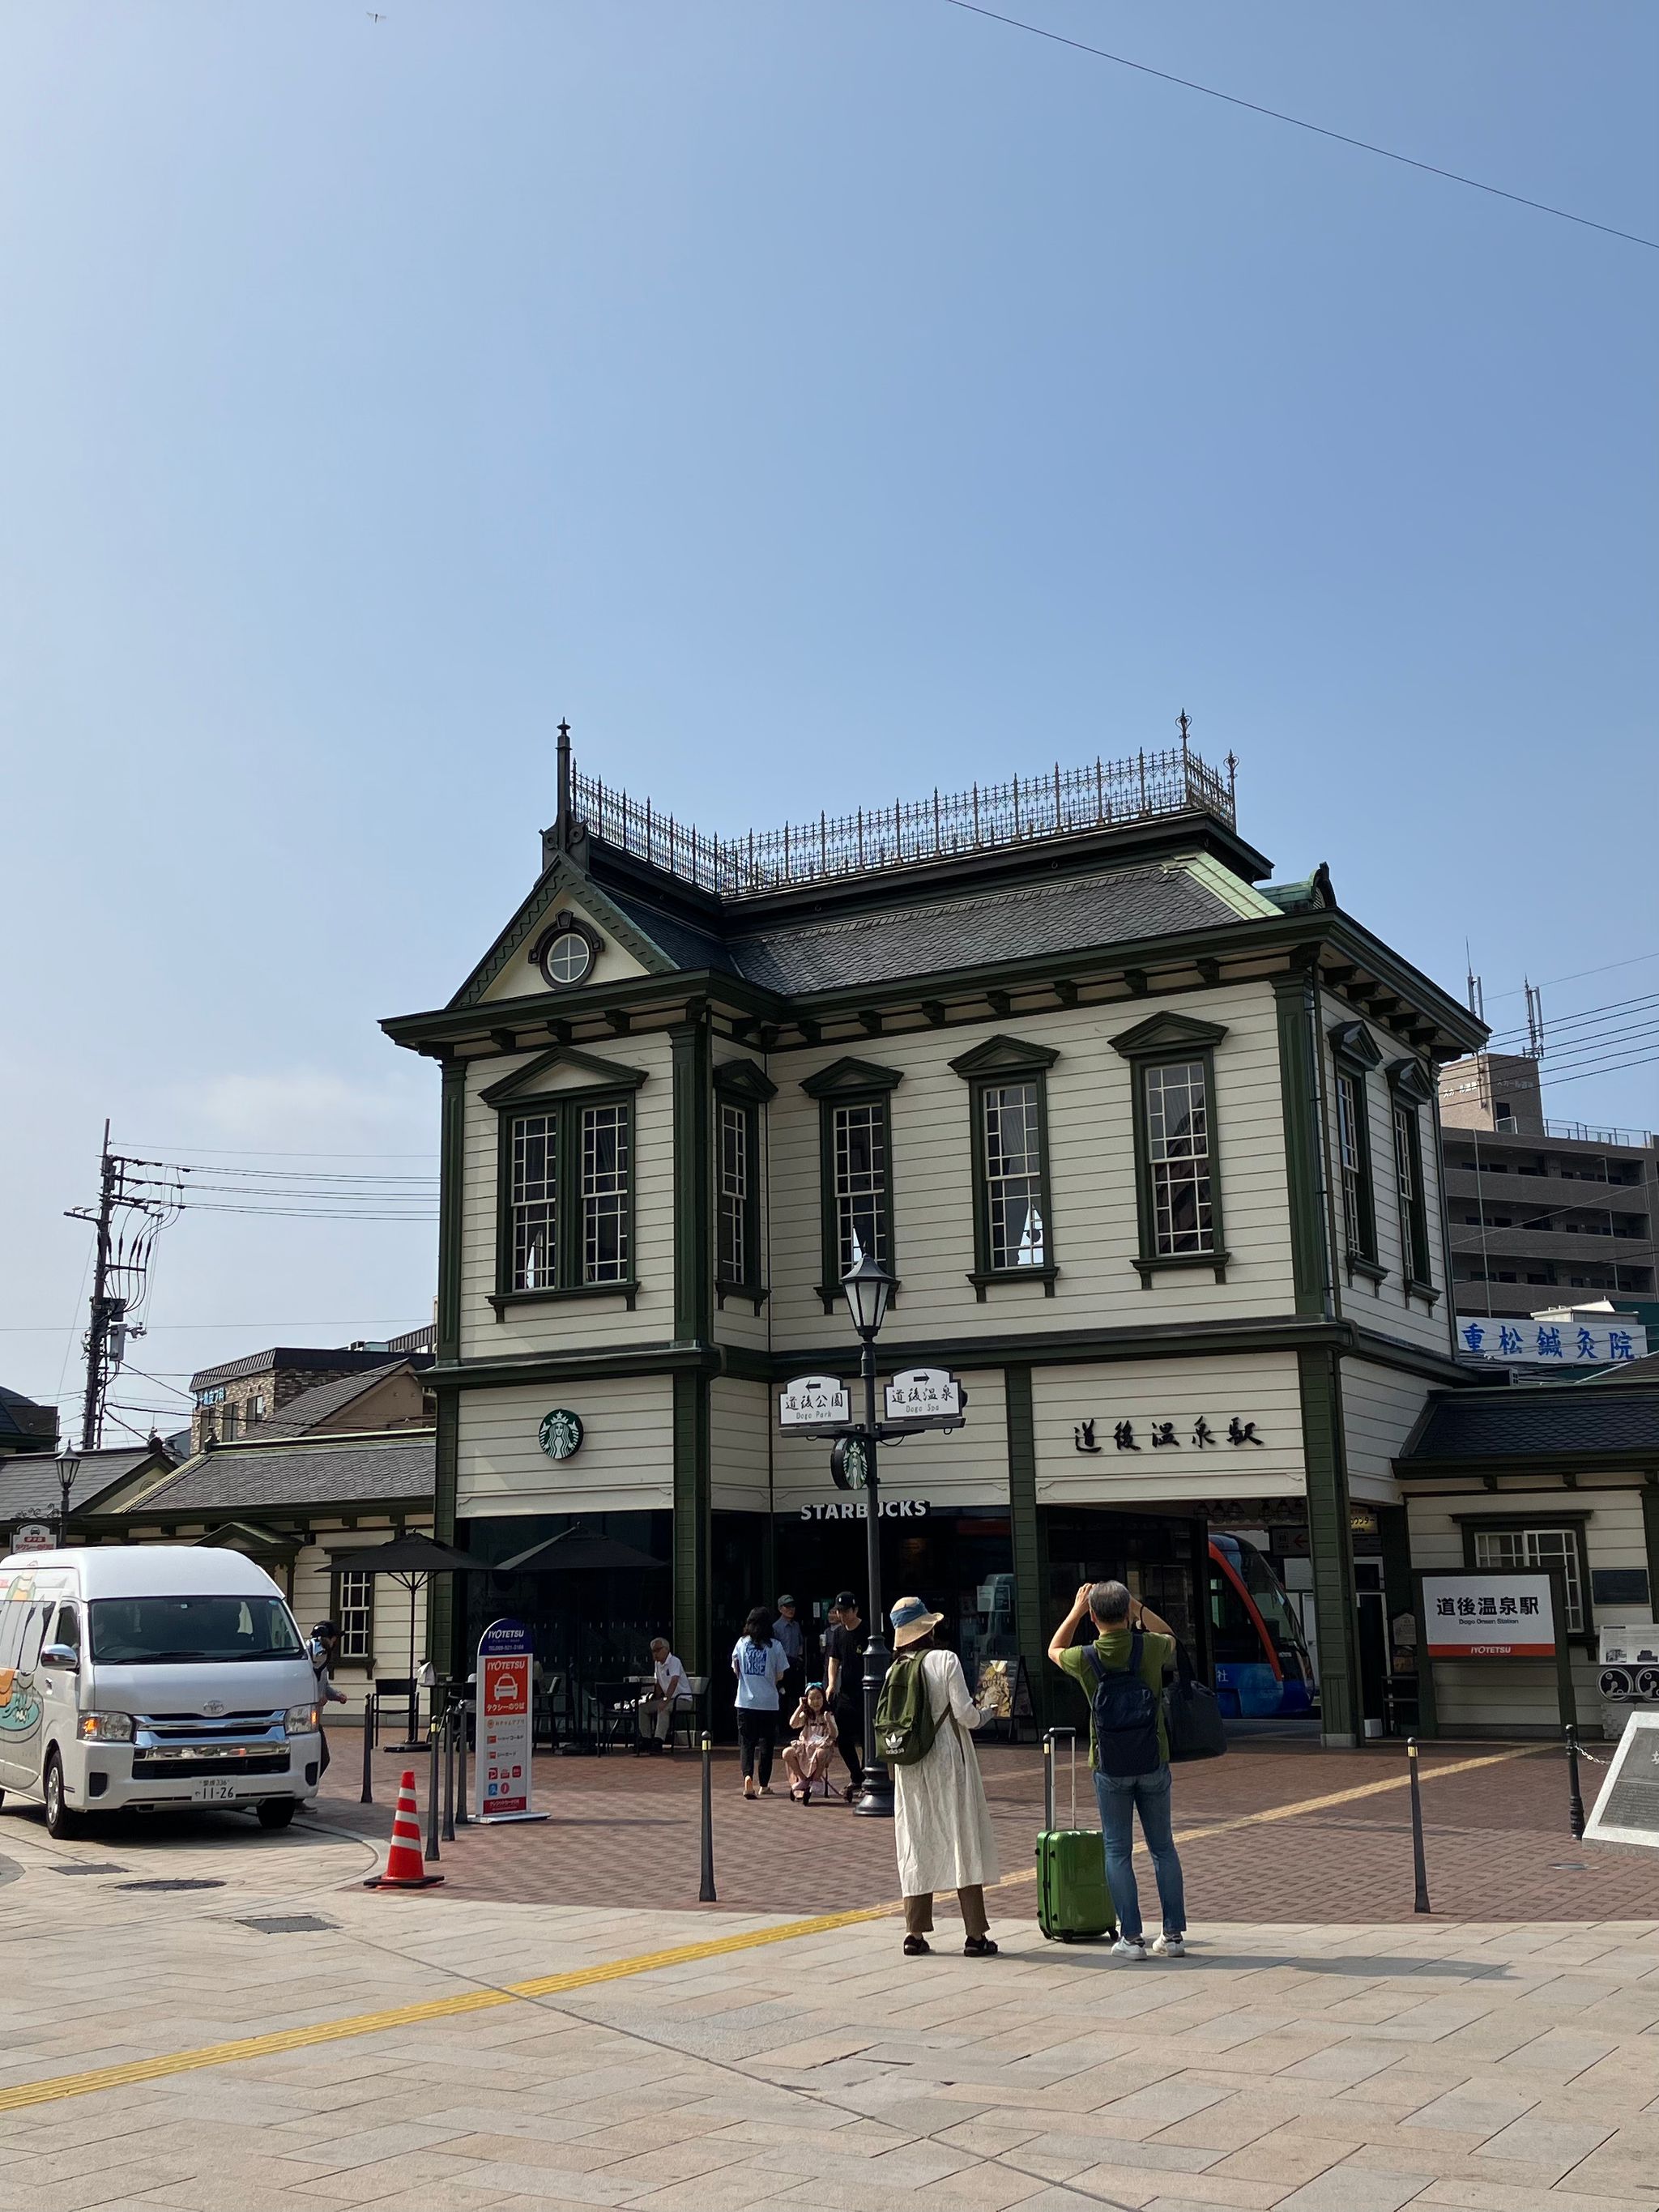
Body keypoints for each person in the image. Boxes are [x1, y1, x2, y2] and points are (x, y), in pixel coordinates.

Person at [1048, 1580, 1188, 1962]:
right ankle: (1173, 1935)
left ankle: (1131, 1938)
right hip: (1153, 1758)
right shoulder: (1150, 1647)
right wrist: (1139, 1609)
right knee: (1163, 1848)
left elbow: (1054, 1649)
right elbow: (1170, 1635)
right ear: (1126, 1613)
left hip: (1109, 1763)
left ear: (1094, 1617)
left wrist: (1076, 1611)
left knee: (1117, 1850)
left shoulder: (1086, 1657)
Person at [885, 1596, 1000, 1956]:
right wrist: (989, 1713)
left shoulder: (893, 1670)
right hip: (949, 1759)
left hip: (910, 1763)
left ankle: (914, 1933)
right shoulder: (945, 1660)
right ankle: (975, 1934)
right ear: (927, 1628)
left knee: (916, 1840)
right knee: (961, 1838)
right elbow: (965, 1715)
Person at [731, 1605, 789, 1799]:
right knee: (767, 1744)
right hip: (769, 1703)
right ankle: (764, 1784)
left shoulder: (741, 1643)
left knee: (746, 1743)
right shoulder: (775, 1646)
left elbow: (736, 1670)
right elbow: (780, 1674)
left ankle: (747, 1777)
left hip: (745, 1701)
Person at [822, 1591, 866, 1800]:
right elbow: (834, 1659)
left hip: (867, 1693)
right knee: (842, 1737)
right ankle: (857, 1776)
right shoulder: (838, 1633)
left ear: (855, 1610)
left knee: (868, 1739)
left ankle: (869, 1778)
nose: (842, 1615)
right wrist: (831, 1684)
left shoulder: (867, 1631)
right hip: (846, 1693)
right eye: (839, 1611)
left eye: (846, 1611)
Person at [782, 1682, 839, 1803]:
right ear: (806, 1700)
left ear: (824, 1698)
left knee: (821, 1753)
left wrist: (828, 1720)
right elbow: (793, 1724)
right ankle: (804, 1780)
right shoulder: (807, 1715)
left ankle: (816, 1779)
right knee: (787, 1753)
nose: (816, 1702)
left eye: (819, 1698)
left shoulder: (827, 1715)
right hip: (806, 1747)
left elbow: (834, 1735)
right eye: (812, 1699)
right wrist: (800, 1707)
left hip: (822, 1748)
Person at [307, 1621, 348, 1777]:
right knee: (322, 1759)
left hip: (315, 1718)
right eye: (334, 1638)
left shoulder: (322, 1659)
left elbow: (324, 1687)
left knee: (320, 1759)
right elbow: (306, 1686)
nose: (335, 1642)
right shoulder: (311, 1658)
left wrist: (337, 1696)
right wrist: (316, 1699)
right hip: (306, 1718)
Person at [637, 1636, 689, 1752]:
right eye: (653, 1651)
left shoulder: (674, 1661)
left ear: (666, 1649)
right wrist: (654, 1698)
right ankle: (646, 1739)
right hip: (668, 1698)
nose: (655, 1654)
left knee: (663, 1708)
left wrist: (665, 1699)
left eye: (658, 1650)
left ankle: (658, 1741)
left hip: (682, 1700)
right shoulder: (657, 1664)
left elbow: (674, 1682)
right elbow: (658, 1684)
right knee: (642, 1708)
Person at [774, 1595, 805, 1707]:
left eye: (792, 1606)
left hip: (795, 1663)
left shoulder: (796, 1625)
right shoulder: (776, 1627)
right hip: (782, 1665)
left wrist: (800, 1657)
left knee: (796, 1698)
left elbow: (800, 1642)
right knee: (783, 1698)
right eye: (787, 1607)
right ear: (780, 1609)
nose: (791, 1609)